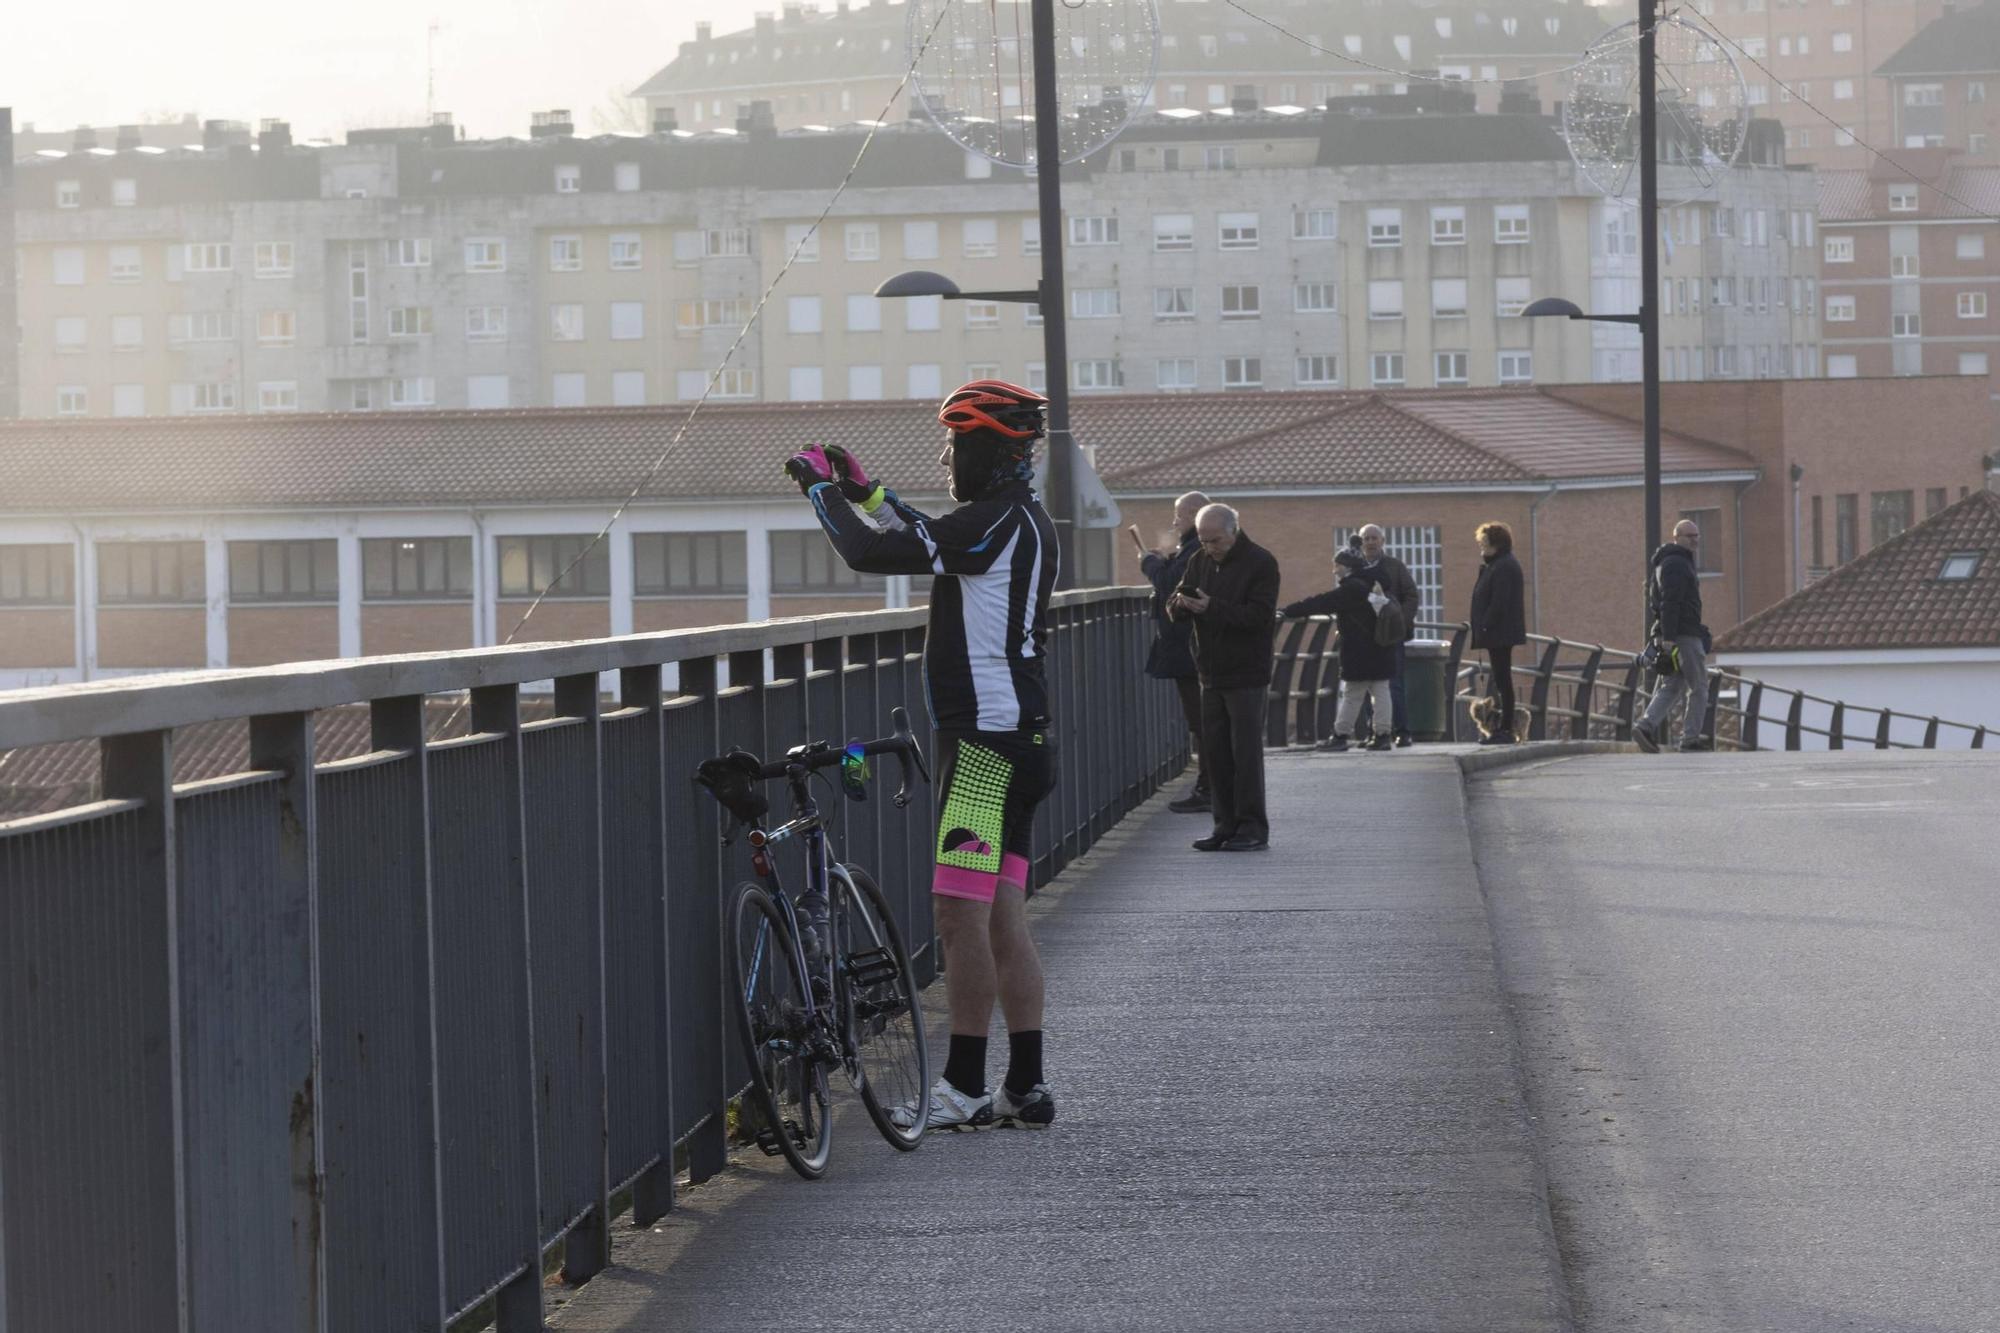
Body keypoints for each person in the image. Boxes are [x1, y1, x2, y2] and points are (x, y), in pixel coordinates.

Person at [783, 378, 1059, 1130]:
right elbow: (930, 534)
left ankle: (966, 1084)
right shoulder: (1021, 521)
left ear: (983, 450)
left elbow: (874, 554)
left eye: (952, 445)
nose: (945, 458)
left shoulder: (989, 524)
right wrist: (868, 493)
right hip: (1022, 742)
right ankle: (1025, 1084)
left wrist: (821, 494)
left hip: (981, 750)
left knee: (957, 913)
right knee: (1003, 910)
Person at [1167, 503, 1281, 851]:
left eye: (1215, 540)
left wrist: (1211, 607)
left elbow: (1259, 617)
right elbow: (1177, 599)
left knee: (1244, 753)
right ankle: (1223, 825)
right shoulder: (1199, 560)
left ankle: (1252, 828)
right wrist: (1179, 606)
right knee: (1215, 752)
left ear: (1233, 531)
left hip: (1246, 672)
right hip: (1210, 672)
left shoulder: (1261, 562)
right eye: (1203, 540)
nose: (1209, 547)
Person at [1135, 492, 1212, 814]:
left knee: (1202, 721)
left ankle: (1209, 787)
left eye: (1178, 516)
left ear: (1194, 516)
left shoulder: (1197, 548)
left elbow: (1170, 583)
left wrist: (1149, 563)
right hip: (1188, 648)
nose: (1173, 522)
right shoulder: (1196, 547)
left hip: (1188, 649)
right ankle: (1210, 785)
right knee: (1202, 721)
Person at [1280, 548, 1399, 752]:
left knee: (1353, 693)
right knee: (1381, 690)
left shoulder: (1352, 588)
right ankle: (1383, 735)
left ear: (1348, 567)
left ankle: (1340, 735)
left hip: (1359, 650)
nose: (1334, 571)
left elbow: (1321, 602)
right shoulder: (1375, 583)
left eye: (1337, 566)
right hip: (1382, 647)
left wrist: (1288, 610)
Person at [1634, 518, 1715, 754]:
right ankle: (1690, 739)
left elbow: (1658, 604)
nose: (1695, 541)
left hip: (1674, 634)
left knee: (1672, 684)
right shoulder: (1677, 564)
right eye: (1690, 536)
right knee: (1699, 686)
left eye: (1697, 536)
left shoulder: (1666, 564)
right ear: (1676, 538)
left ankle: (1645, 725)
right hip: (1684, 635)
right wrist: (1669, 637)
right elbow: (1671, 602)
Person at [1356, 525, 1423, 747]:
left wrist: (1400, 621)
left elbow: (1411, 594)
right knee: (1367, 684)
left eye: (1374, 538)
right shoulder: (1356, 567)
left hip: (1392, 635)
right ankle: (1373, 731)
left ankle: (1402, 731)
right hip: (1366, 636)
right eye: (1366, 538)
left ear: (1382, 541)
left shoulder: (1395, 566)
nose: (1370, 542)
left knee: (1394, 683)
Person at [1468, 521, 1527, 746]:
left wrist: (1484, 625)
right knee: (1501, 679)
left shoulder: (1503, 566)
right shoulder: (1499, 565)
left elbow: (1499, 601)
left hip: (1500, 632)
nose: (1482, 547)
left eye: (1484, 542)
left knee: (1503, 680)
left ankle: (1505, 729)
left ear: (1496, 544)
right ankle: (1504, 727)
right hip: (1499, 632)